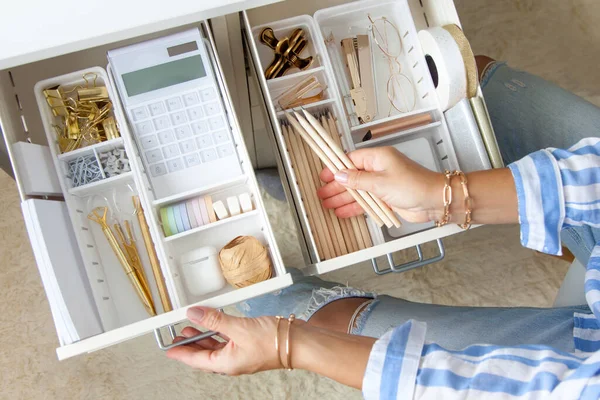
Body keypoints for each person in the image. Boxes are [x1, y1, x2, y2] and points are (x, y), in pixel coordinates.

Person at [166, 58, 600, 399]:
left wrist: (288, 344)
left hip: (576, 370)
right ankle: (289, 176)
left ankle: (269, 293)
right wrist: (444, 193)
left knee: (327, 325)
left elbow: (474, 385)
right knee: (471, 88)